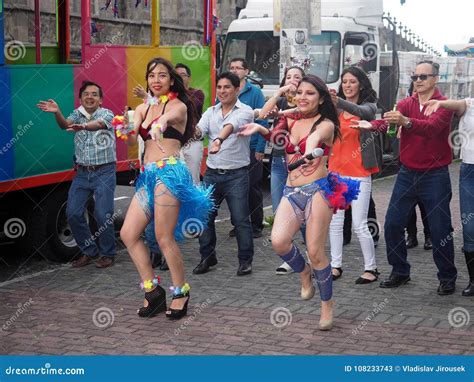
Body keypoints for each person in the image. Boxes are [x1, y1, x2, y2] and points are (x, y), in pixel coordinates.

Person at [239, 75, 360, 331]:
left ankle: (327, 304)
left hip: (318, 190)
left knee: (316, 251)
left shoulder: (326, 123)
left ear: (322, 98)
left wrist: (309, 151)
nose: (304, 97)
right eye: (300, 93)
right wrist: (261, 128)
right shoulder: (290, 118)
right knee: (278, 241)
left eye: (311, 93)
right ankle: (304, 273)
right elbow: (271, 126)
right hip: (291, 190)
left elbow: (316, 140)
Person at [352, 60, 458, 295]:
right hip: (407, 173)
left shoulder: (444, 104)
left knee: (440, 229)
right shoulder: (405, 103)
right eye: (415, 77)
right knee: (392, 224)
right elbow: (389, 122)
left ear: (435, 78)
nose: (418, 81)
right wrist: (371, 125)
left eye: (423, 77)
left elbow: (431, 129)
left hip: (435, 175)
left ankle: (447, 277)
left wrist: (406, 122)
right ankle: (400, 271)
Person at [120, 57, 214, 319]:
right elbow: (130, 133)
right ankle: (153, 291)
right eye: (151, 76)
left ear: (171, 80)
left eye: (162, 75)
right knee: (128, 234)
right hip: (147, 175)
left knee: (164, 237)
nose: (156, 80)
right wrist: (124, 126)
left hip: (170, 173)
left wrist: (160, 124)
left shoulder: (179, 106)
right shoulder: (142, 109)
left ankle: (181, 293)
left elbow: (171, 117)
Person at [37, 81, 116, 269]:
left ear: (101, 100)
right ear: (81, 98)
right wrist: (57, 112)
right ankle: (89, 251)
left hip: (104, 171)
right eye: (86, 94)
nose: (90, 97)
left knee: (102, 214)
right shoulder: (76, 114)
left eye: (94, 94)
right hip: (82, 173)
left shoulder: (107, 114)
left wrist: (84, 127)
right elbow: (64, 125)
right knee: (73, 213)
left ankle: (108, 254)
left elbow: (98, 124)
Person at [193, 72, 255, 276]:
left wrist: (218, 139)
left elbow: (231, 126)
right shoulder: (210, 111)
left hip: (236, 175)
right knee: (204, 217)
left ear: (237, 89)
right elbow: (199, 132)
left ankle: (245, 261)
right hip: (211, 174)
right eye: (219, 87)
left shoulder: (245, 111)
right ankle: (207, 257)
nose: (222, 91)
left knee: (239, 220)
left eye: (227, 87)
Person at [328, 66, 380, 284]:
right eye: (344, 82)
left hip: (359, 173)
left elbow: (366, 114)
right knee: (335, 222)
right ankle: (335, 265)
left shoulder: (367, 107)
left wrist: (338, 101)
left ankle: (372, 269)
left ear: (361, 84)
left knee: (359, 224)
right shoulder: (335, 109)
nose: (347, 85)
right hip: (335, 172)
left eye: (352, 81)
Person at [424, 97, 474, 296]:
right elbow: (459, 105)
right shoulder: (470, 104)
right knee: (469, 226)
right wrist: (442, 103)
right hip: (470, 171)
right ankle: (473, 280)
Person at [258, 65, 306, 275]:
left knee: (303, 212)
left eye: (297, 77)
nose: (293, 80)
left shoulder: (307, 100)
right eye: (289, 76)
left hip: (301, 163)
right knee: (281, 212)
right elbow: (262, 115)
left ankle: (310, 252)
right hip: (278, 161)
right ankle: (291, 256)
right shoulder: (280, 100)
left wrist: (284, 112)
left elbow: (300, 112)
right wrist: (278, 94)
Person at [228, 57, 268, 238]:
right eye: (232, 68)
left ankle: (256, 224)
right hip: (233, 147)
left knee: (253, 186)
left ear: (246, 71)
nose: (235, 70)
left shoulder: (255, 92)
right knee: (236, 188)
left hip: (251, 146)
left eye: (238, 68)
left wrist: (260, 148)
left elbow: (263, 118)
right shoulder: (226, 91)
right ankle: (239, 224)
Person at [404, 81, 432, 251]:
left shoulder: (431, 108)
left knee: (425, 203)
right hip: (407, 163)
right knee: (407, 206)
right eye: (414, 90)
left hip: (426, 165)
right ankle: (411, 235)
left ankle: (429, 236)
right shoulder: (405, 108)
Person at [175, 63, 205, 185]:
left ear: (189, 78)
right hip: (176, 143)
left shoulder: (197, 93)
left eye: (183, 75)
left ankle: (194, 204)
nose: (180, 78)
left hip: (193, 142)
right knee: (177, 179)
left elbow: (188, 102)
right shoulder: (168, 96)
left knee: (193, 180)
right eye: (176, 76)